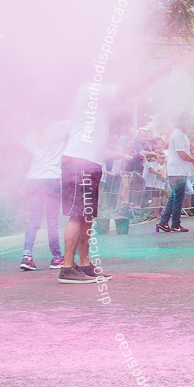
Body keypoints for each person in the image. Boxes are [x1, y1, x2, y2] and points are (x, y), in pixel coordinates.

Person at [58, 83, 119, 284]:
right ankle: (67, 268)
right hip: (79, 161)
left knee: (87, 216)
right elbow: (128, 90)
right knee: (77, 215)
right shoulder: (91, 88)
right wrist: (155, 74)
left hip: (89, 162)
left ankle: (84, 265)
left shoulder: (97, 93)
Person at [20, 118, 70, 271]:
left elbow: (27, 159)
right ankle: (56, 257)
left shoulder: (32, 131)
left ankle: (27, 256)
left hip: (32, 178)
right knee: (52, 221)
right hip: (50, 177)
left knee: (34, 219)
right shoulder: (61, 126)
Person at [156, 113, 194, 233]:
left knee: (175, 196)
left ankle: (164, 222)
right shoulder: (178, 135)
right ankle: (175, 224)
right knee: (178, 198)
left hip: (179, 170)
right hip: (178, 171)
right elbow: (181, 153)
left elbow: (184, 152)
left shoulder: (180, 134)